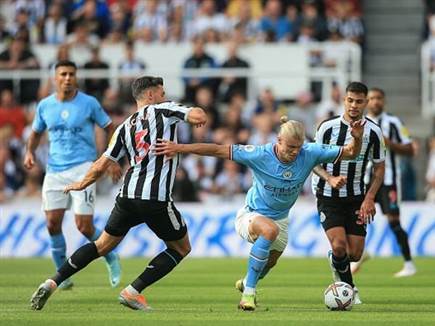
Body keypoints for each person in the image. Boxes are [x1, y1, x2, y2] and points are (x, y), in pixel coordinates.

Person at [30, 76, 207, 311]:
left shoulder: (124, 126)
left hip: (126, 197)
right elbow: (199, 116)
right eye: (161, 92)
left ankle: (52, 282)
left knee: (102, 245)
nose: (164, 96)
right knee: (181, 248)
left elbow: (103, 162)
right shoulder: (164, 109)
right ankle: (132, 291)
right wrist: (192, 115)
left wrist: (82, 183)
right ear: (151, 95)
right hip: (155, 199)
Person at [153, 116, 366, 311]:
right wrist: (179, 147)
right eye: (290, 147)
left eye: (298, 148)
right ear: (279, 140)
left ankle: (247, 281)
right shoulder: (259, 154)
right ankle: (248, 295)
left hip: (281, 219)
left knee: (269, 263)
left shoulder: (309, 152)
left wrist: (356, 139)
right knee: (268, 230)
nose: (294, 152)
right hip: (251, 215)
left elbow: (350, 152)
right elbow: (217, 149)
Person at [24, 60, 122, 290]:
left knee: (84, 226)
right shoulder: (45, 106)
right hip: (55, 170)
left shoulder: (89, 103)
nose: (67, 78)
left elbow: (110, 128)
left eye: (71, 74)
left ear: (76, 77)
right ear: (55, 78)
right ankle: (63, 276)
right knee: (52, 223)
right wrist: (29, 151)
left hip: (83, 169)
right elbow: (36, 132)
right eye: (63, 74)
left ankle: (110, 256)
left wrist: (110, 160)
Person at [312, 82, 385, 305]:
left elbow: (379, 167)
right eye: (350, 100)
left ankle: (336, 262)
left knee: (354, 254)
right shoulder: (327, 127)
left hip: (356, 197)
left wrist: (370, 197)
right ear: (344, 100)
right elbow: (312, 161)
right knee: (339, 246)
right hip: (328, 196)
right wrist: (330, 179)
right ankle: (349, 289)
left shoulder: (374, 131)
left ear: (366, 102)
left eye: (359, 101)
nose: (354, 105)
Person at [351, 87, 416, 277]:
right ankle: (358, 255)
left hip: (388, 181)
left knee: (394, 221)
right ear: (366, 102)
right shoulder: (360, 123)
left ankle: (409, 263)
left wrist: (389, 143)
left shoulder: (393, 122)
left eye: (378, 98)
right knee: (357, 218)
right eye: (371, 98)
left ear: (384, 101)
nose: (375, 101)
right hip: (364, 180)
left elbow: (410, 149)